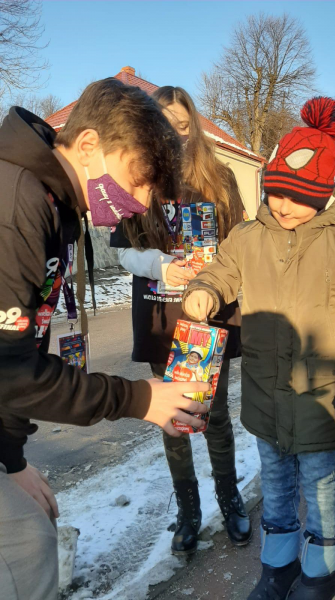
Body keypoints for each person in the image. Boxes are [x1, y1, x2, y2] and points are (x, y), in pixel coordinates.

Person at [0, 78, 210, 600]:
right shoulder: (18, 205)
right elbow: (11, 372)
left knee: (30, 534)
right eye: (138, 183)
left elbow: (16, 351)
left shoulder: (52, 201)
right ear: (89, 145)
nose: (140, 205)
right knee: (25, 549)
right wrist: (140, 398)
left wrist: (11, 458)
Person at [183, 97, 335, 600]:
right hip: (264, 394)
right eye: (276, 193)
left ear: (321, 197)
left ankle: (322, 572)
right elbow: (223, 269)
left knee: (322, 489)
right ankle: (277, 568)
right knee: (274, 486)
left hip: (324, 399)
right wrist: (205, 291)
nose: (282, 206)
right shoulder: (247, 236)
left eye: (297, 198)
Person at [110, 86, 252, 555]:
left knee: (214, 417)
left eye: (183, 125)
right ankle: (188, 509)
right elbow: (120, 251)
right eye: (164, 125)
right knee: (171, 414)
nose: (174, 134)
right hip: (159, 313)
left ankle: (229, 498)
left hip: (210, 311)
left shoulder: (219, 178)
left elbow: (241, 245)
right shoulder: (135, 180)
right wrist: (159, 263)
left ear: (195, 128)